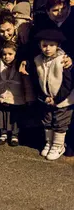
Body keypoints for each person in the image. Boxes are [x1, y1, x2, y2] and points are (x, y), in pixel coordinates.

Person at [32, 29, 74, 160]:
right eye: (44, 45)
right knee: (47, 121)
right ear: (40, 45)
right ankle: (49, 143)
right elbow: (37, 80)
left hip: (63, 100)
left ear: (57, 45)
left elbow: (68, 83)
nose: (47, 48)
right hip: (47, 99)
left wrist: (57, 99)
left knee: (60, 122)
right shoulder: (38, 60)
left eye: (51, 45)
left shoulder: (63, 60)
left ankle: (58, 146)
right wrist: (44, 97)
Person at [0, 41, 35, 146]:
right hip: (1, 96)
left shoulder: (19, 67)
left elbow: (27, 84)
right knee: (2, 116)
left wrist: (29, 98)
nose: (6, 57)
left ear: (15, 54)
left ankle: (14, 135)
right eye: (4, 54)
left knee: (14, 117)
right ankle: (3, 133)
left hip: (15, 97)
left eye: (10, 54)